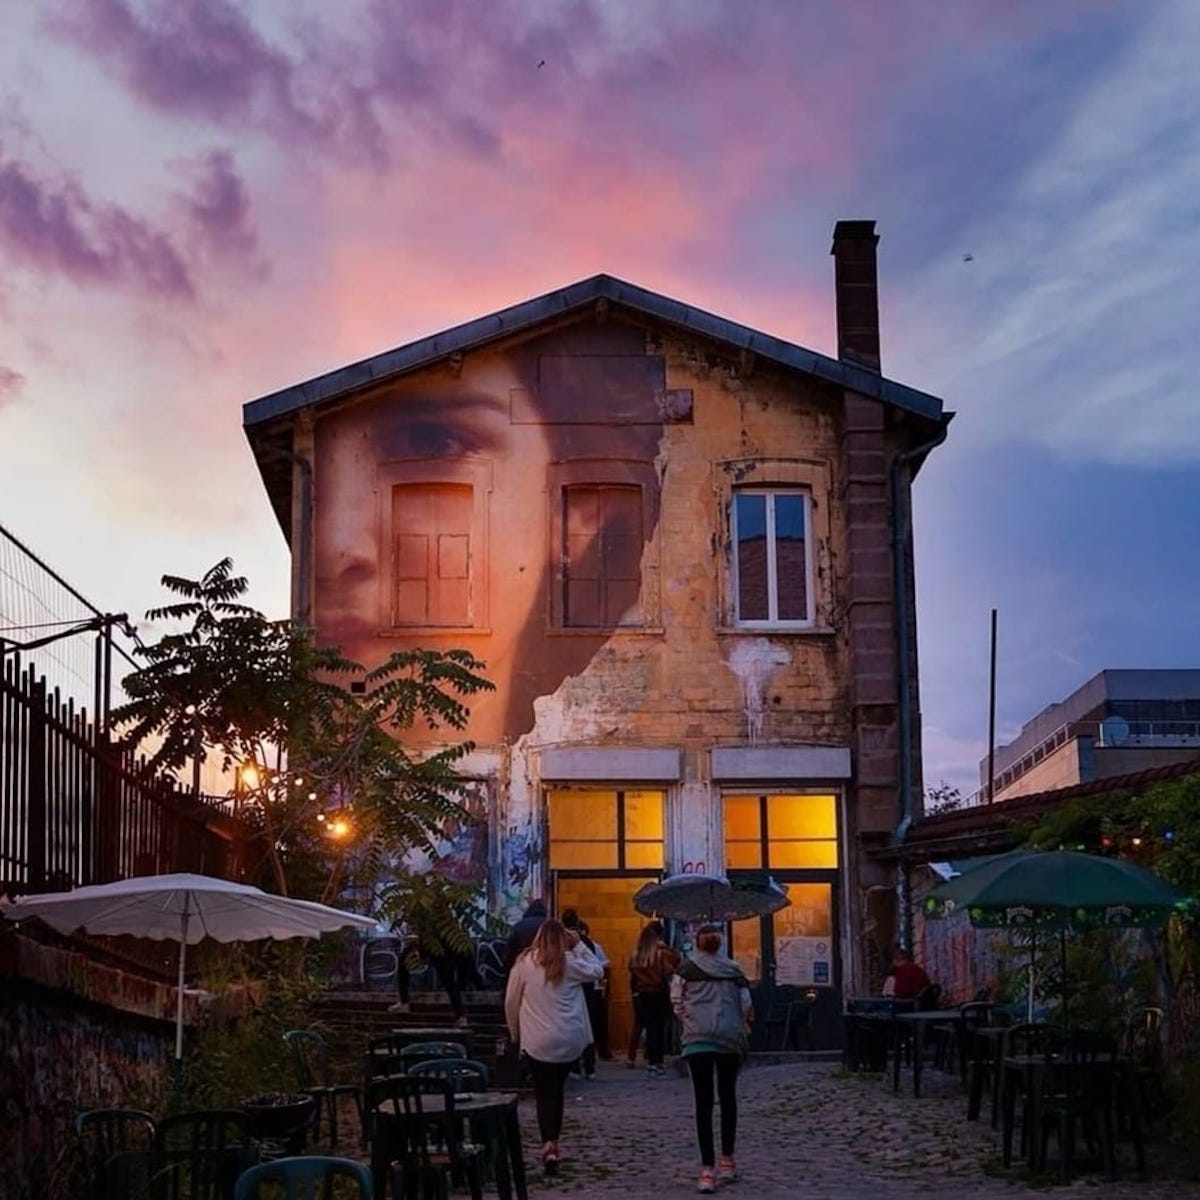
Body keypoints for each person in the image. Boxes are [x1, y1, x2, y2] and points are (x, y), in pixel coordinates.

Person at [505, 917, 604, 1175]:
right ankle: (554, 1142)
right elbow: (598, 969)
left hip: (538, 1040)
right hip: (568, 1039)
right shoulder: (570, 963)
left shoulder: (525, 964)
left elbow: (510, 1002)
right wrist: (580, 944)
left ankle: (548, 1144)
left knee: (544, 1094)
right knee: (557, 1091)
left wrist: (516, 1035)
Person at [671, 924, 753, 1194]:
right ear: (720, 943)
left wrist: (692, 1020)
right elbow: (746, 1003)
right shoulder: (733, 970)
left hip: (698, 1040)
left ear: (697, 942)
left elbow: (676, 1001)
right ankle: (727, 1160)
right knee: (728, 1098)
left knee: (703, 1103)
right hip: (728, 1038)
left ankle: (707, 1170)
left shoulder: (686, 971)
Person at [388, 922, 479, 1028]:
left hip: (439, 943)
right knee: (449, 980)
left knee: (448, 980)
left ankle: (461, 1015)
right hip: (439, 942)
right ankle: (461, 1015)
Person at [627, 920, 681, 1076]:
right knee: (659, 1027)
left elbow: (633, 975)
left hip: (643, 994)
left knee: (648, 1027)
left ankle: (650, 1061)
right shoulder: (660, 954)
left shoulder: (636, 956)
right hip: (659, 993)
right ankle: (658, 1061)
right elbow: (673, 965)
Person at [561, 909, 609, 1078]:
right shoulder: (587, 943)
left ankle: (574, 1066)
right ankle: (589, 1066)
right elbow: (599, 966)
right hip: (588, 989)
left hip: (569, 989)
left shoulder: (560, 941)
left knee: (572, 1028)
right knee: (587, 1029)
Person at [504, 897, 547, 971]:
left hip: (522, 964)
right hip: (544, 963)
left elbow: (511, 949)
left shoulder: (519, 925)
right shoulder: (549, 925)